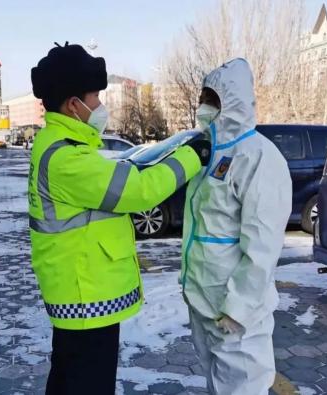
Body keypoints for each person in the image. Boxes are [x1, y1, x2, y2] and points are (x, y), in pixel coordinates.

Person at [28, 42, 209, 395]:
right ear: (73, 104)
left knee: (67, 378)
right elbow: (137, 191)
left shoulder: (60, 145)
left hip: (77, 291)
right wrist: (190, 157)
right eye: (94, 97)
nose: (100, 106)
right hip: (84, 296)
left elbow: (114, 179)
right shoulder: (67, 158)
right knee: (86, 383)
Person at [181, 58, 292, 395]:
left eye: (210, 100)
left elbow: (263, 245)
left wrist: (238, 308)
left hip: (234, 311)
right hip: (203, 300)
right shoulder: (209, 154)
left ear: (231, 102)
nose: (203, 107)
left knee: (243, 388)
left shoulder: (259, 156)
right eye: (203, 99)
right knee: (218, 385)